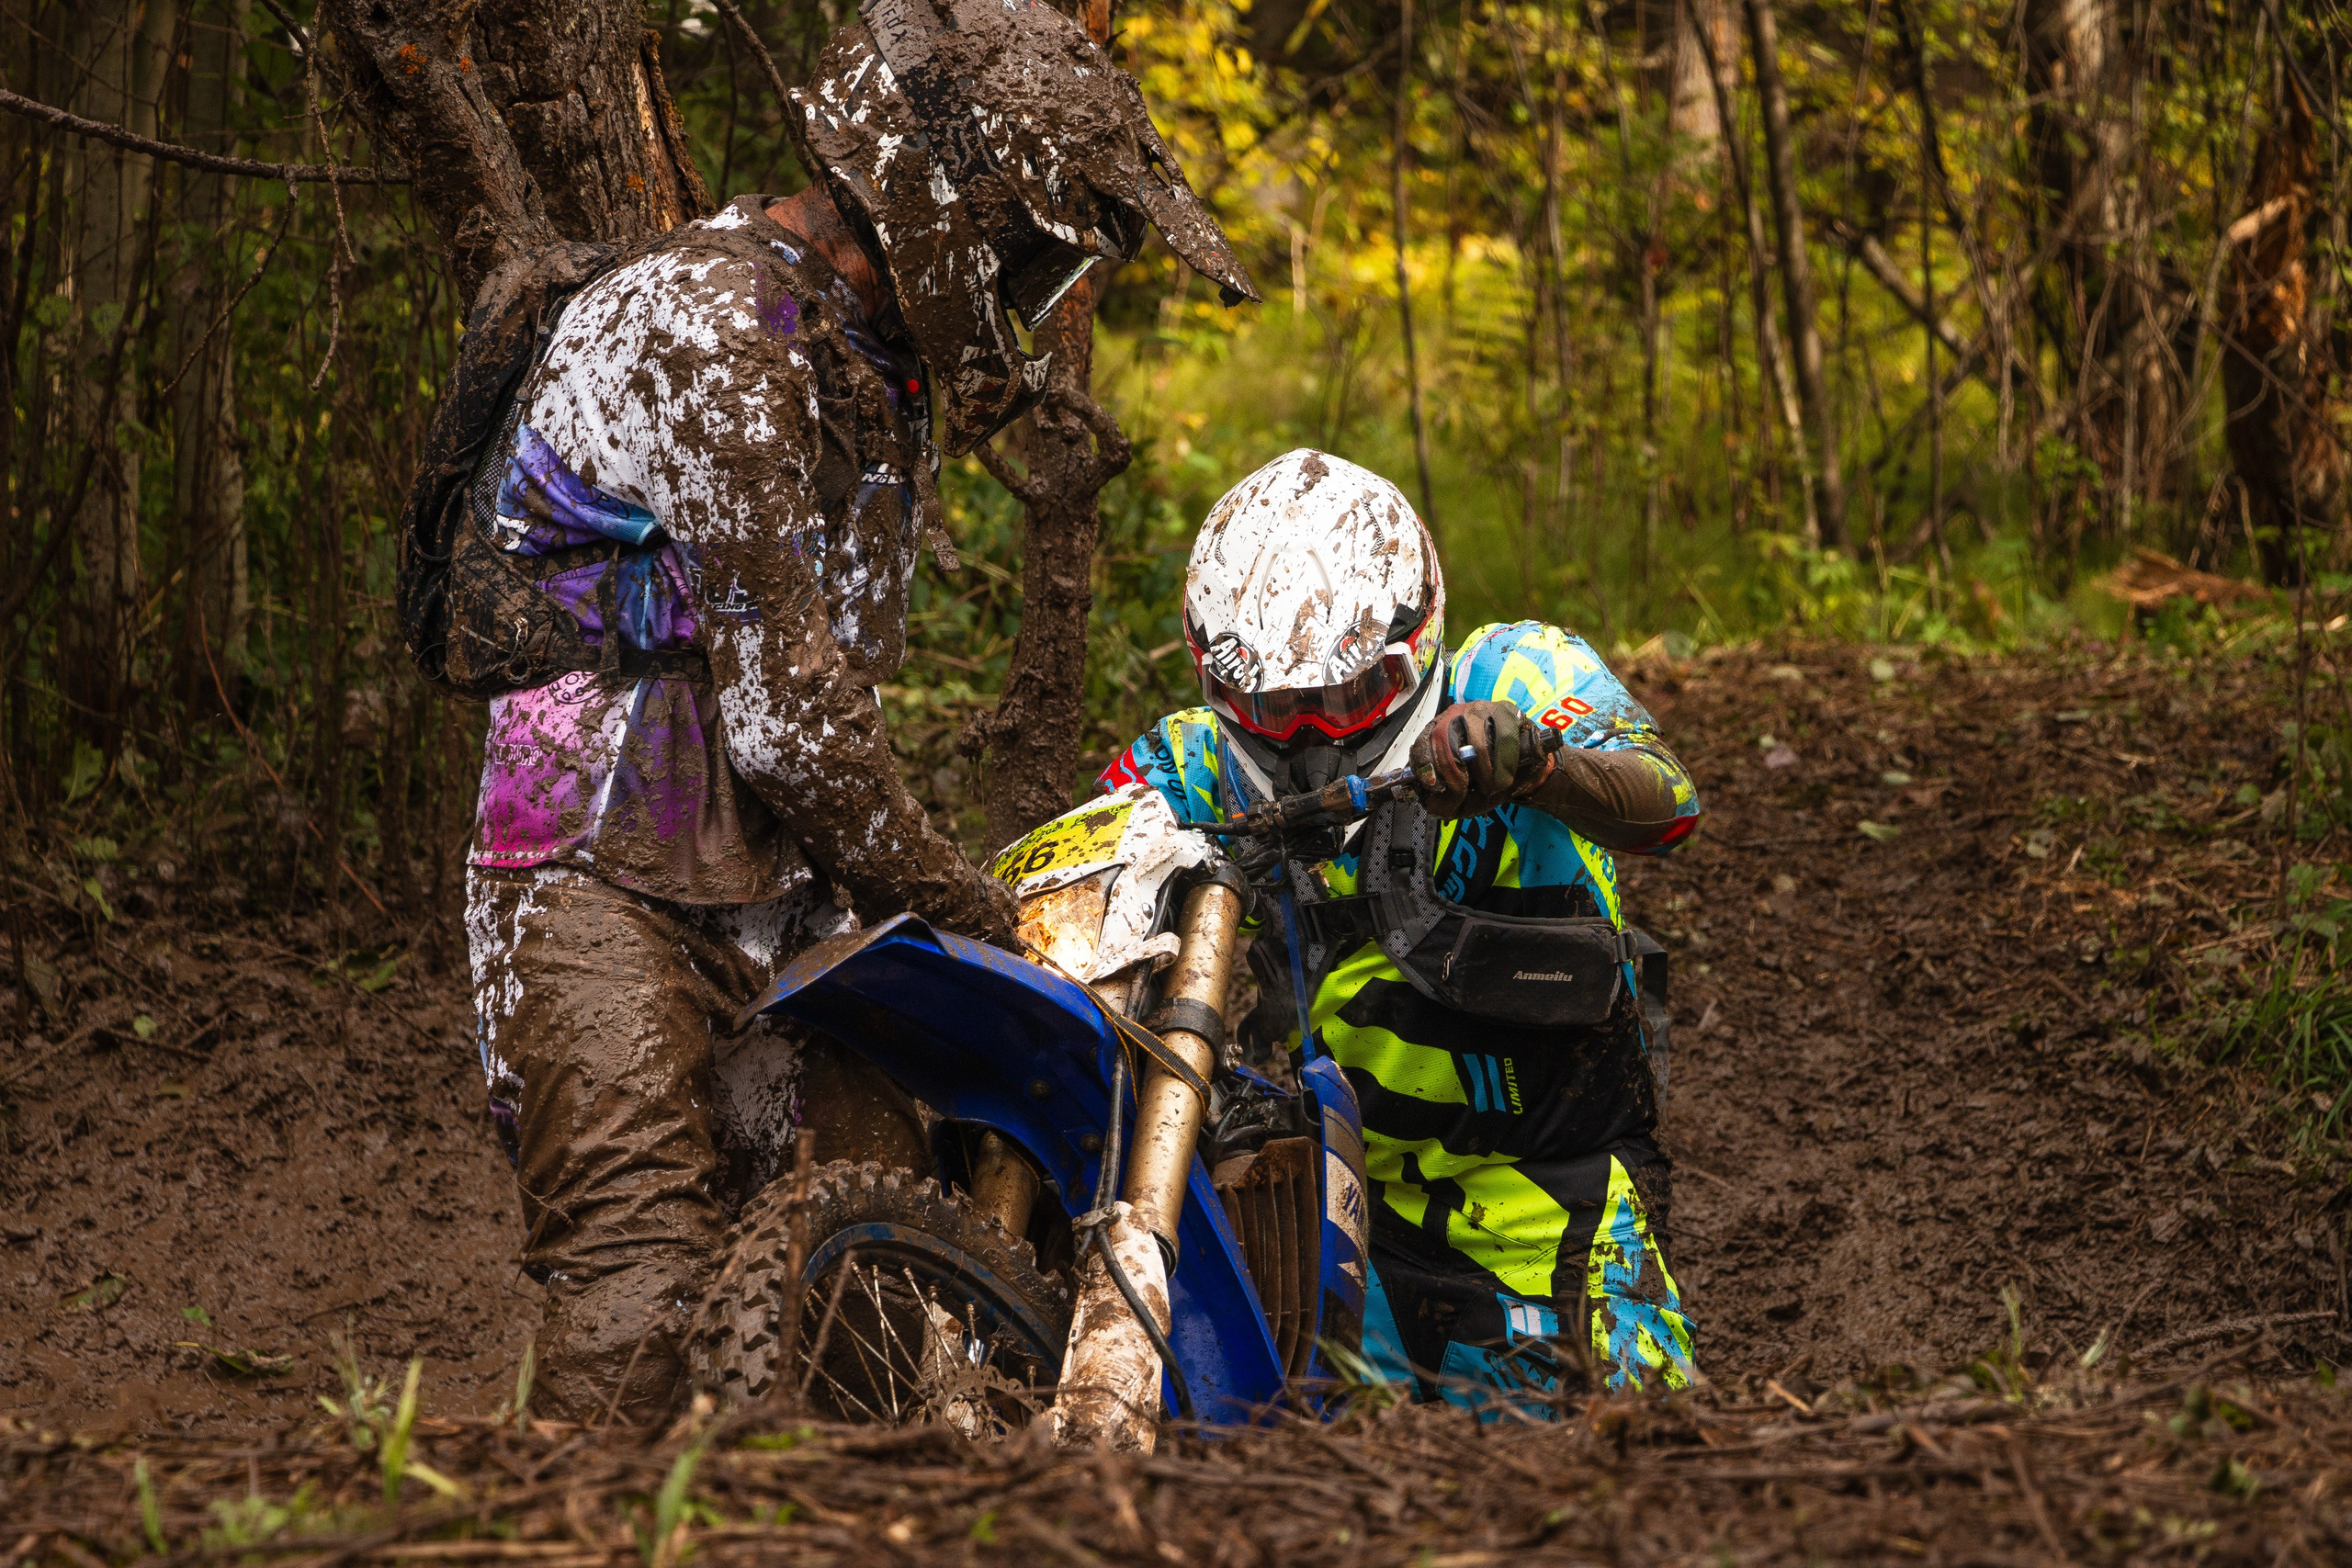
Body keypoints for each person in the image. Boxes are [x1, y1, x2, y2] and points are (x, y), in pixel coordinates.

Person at [447, 0, 1258, 1421]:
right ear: (948, 205)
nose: (1033, 289)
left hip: (782, 897)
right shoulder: (713, 325)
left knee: (878, 1298)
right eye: (1027, 251)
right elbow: (794, 713)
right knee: (639, 1303)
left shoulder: (871, 363)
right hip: (589, 875)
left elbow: (834, 681)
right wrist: (979, 911)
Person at [1099, 449, 1701, 1408]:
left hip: (1550, 1190)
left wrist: (1536, 763)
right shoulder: (1193, 758)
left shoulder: (1519, 670)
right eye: (1274, 709)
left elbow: (1664, 802)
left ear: (1415, 652)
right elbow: (1070, 861)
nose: (1310, 740)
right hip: (1331, 1207)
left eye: (1342, 700)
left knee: (1635, 1463)